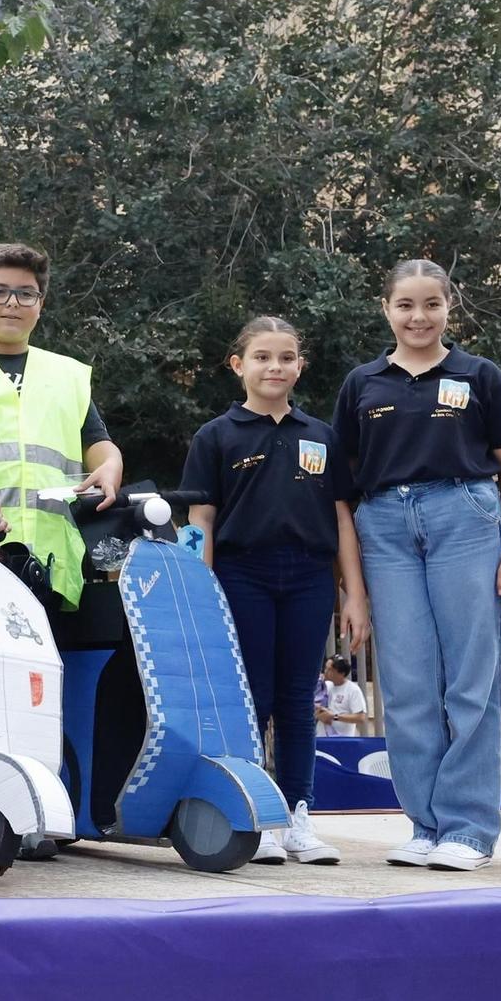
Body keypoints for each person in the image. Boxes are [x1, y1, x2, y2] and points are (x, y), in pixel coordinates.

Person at [334, 259, 501, 872]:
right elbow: (341, 490)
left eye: (431, 304)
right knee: (407, 684)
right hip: (385, 529)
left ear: (450, 307)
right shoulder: (362, 383)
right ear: (386, 309)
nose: (418, 317)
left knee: (469, 682)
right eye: (406, 305)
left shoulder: (480, 375)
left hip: (465, 518)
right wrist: (353, 587)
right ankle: (425, 824)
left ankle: (469, 828)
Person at [183, 316, 365, 866]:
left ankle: (297, 815)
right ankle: (253, 816)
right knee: (251, 699)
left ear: (300, 366)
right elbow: (202, 521)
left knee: (297, 702)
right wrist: (204, 592)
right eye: (262, 357)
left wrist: (354, 593)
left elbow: (341, 519)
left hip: (309, 577)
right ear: (238, 365)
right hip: (242, 575)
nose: (275, 367)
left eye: (286, 357)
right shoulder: (216, 435)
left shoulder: (321, 436)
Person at [0, 244, 124, 611]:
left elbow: (97, 442)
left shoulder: (67, 376)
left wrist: (110, 465)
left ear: (40, 304)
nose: (12, 303)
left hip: (51, 564)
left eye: (26, 293)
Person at [317, 655, 372, 737]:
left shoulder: (352, 690)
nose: (325, 672)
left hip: (342, 739)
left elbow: (361, 717)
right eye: (326, 668)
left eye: (330, 670)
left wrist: (334, 717)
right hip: (322, 738)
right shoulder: (325, 687)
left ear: (341, 673)